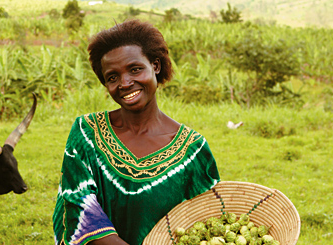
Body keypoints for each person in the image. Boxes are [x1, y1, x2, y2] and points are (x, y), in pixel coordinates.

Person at [52, 19, 220, 245]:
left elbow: (205, 225)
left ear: (155, 66)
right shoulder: (86, 134)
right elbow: (78, 211)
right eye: (112, 77)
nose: (125, 83)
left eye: (135, 69)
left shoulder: (193, 150)